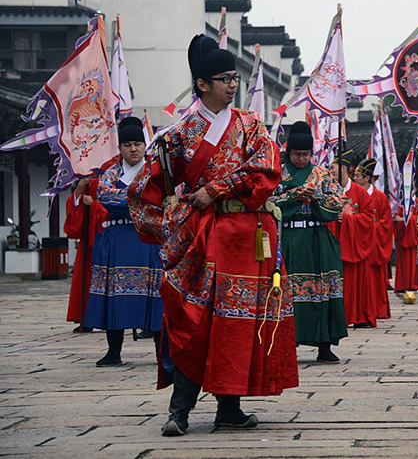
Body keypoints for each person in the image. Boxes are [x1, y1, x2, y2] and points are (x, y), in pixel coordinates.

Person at [129, 35, 298, 437]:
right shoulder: (177, 134)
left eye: (234, 78)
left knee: (239, 321)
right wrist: (176, 213)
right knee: (195, 318)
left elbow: (267, 170)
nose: (232, 85)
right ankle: (179, 411)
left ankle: (229, 408)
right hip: (203, 237)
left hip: (250, 234)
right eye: (224, 78)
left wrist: (216, 189)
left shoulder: (251, 125)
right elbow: (146, 192)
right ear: (202, 84)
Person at [83, 117, 163, 366]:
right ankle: (113, 351)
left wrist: (133, 201)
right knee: (113, 296)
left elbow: (165, 199)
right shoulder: (109, 174)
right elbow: (107, 199)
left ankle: (162, 354)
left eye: (138, 143)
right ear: (120, 148)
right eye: (127, 144)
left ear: (145, 145)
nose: (133, 149)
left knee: (156, 297)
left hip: (149, 240)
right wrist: (143, 201)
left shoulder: (157, 171)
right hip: (118, 239)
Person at [269, 121, 348, 363]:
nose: (301, 159)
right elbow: (267, 201)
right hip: (289, 236)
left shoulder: (321, 174)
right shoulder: (278, 173)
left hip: (317, 238)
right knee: (288, 289)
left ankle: (325, 344)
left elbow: (339, 200)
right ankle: (287, 343)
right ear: (288, 153)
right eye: (296, 154)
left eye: (305, 155)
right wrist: (293, 196)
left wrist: (315, 199)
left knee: (324, 288)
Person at [328, 150, 376, 328]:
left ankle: (358, 316)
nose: (330, 172)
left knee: (356, 283)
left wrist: (348, 219)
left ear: (344, 169)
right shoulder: (329, 191)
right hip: (335, 243)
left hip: (355, 244)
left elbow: (368, 218)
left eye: (333, 168)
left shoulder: (360, 192)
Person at [64, 174, 108, 333]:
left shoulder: (115, 175)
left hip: (109, 237)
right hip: (90, 237)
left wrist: (94, 205)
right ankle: (86, 317)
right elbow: (77, 210)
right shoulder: (90, 179)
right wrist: (80, 188)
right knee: (86, 280)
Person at [353, 158, 392, 320]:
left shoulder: (380, 197)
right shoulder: (354, 194)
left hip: (375, 243)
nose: (354, 178)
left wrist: (370, 227)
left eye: (357, 176)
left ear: (366, 178)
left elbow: (386, 221)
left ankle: (378, 310)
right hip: (359, 242)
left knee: (376, 279)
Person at [393, 203, 418, 293]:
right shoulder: (400, 204)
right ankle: (403, 285)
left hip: (416, 237)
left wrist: (405, 220)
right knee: (404, 262)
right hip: (403, 237)